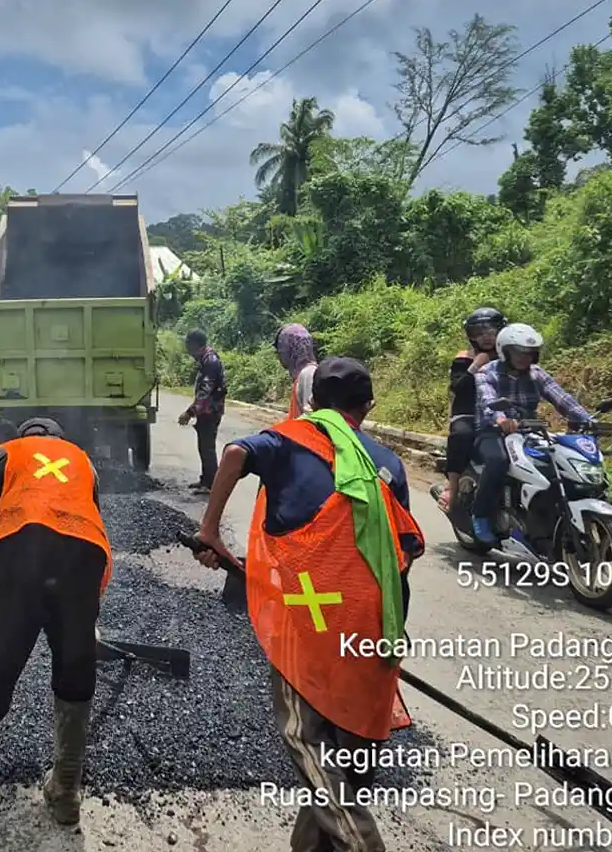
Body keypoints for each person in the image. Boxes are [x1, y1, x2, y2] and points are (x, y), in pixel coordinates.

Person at [188, 357, 425, 852]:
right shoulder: (387, 462)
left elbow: (232, 453)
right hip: (376, 625)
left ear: (312, 402)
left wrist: (209, 531)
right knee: (354, 756)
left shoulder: (287, 440)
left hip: (308, 623)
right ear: (368, 407)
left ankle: (364, 845)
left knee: (305, 738)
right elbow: (400, 554)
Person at [0, 417, 111, 852]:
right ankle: (66, 794)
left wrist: (0, 518)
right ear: (58, 439)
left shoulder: (8, 452)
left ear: (27, 436)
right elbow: (89, 511)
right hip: (84, 553)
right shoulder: (83, 461)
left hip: (18, 552)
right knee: (75, 670)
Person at [472, 323, 591, 545]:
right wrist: (501, 419)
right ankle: (480, 515)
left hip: (529, 431)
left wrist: (587, 420)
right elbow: (487, 401)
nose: (524, 357)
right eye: (518, 352)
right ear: (504, 351)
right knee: (497, 462)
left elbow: (562, 398)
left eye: (529, 353)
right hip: (491, 431)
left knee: (554, 462)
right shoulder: (486, 373)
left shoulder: (536, 374)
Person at [437, 308, 506, 512]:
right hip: (467, 413)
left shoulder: (510, 357)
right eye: (479, 332)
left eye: (491, 331)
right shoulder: (464, 357)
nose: (485, 337)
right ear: (471, 335)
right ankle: (452, 487)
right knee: (462, 434)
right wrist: (475, 365)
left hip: (498, 412)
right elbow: (458, 388)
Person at [177, 329, 226, 494]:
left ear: (195, 344)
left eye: (188, 345)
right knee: (203, 446)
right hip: (206, 410)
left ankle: (211, 484)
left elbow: (205, 392)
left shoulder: (210, 362)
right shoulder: (206, 359)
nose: (187, 349)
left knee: (207, 447)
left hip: (210, 411)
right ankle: (205, 479)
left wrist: (189, 412)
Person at [274, 323, 318, 420]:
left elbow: (311, 420)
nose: (279, 354)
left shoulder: (308, 375)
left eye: (280, 348)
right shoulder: (304, 374)